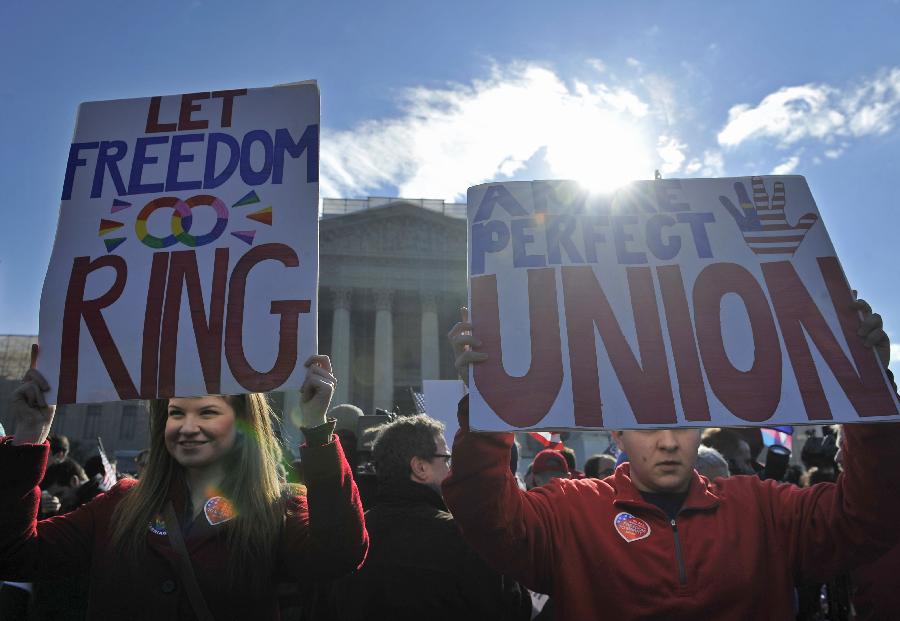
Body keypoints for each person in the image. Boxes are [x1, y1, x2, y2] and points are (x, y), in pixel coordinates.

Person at [443, 300, 900, 620]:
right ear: (616, 433)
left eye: (682, 424)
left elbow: (868, 517)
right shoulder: (569, 510)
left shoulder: (765, 509)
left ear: (702, 427)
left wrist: (872, 392)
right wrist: (488, 401)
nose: (666, 442)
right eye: (647, 426)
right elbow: (488, 518)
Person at [0, 352, 367, 620]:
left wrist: (318, 430)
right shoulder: (120, 504)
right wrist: (29, 434)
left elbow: (338, 554)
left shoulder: (275, 509)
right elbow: (14, 555)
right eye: (178, 413)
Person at [329, 414, 531, 621]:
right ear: (420, 468)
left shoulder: (352, 535)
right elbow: (514, 609)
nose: (451, 469)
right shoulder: (463, 537)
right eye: (446, 459)